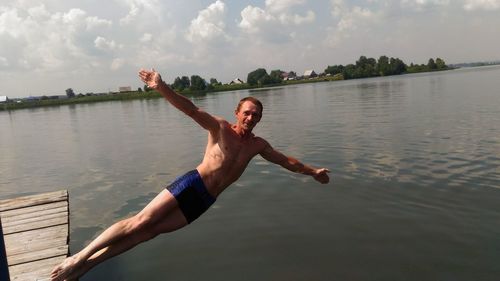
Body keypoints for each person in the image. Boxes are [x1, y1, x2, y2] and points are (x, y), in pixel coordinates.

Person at [50, 68, 330, 281]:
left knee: (147, 234)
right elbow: (191, 109)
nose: (250, 118)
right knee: (139, 222)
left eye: (255, 115)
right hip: (191, 183)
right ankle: (79, 257)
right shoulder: (220, 128)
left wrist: (313, 171)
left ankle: (84, 268)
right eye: (247, 113)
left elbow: (287, 162)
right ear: (237, 112)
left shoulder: (258, 145)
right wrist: (161, 87)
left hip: (205, 200)